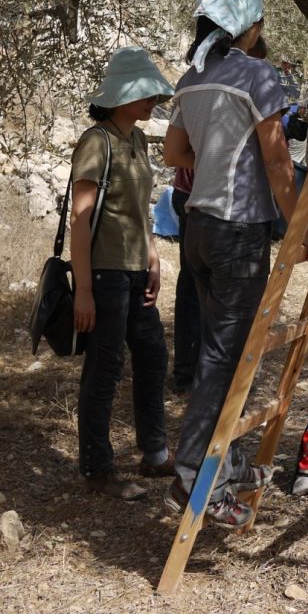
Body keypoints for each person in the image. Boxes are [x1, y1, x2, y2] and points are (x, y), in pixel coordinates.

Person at [163, 0, 308, 528]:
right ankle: (193, 481)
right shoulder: (258, 76)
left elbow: (172, 152)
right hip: (238, 233)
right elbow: (279, 163)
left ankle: (229, 467)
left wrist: (212, 152)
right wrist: (299, 227)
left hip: (198, 230)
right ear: (250, 28)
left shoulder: (192, 77)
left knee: (225, 351)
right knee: (222, 358)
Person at [71, 46, 175, 500]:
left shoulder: (135, 140)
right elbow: (80, 218)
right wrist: (84, 292)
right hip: (106, 274)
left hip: (136, 270)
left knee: (152, 357)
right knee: (106, 367)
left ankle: (154, 454)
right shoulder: (97, 141)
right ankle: (97, 468)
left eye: (155, 92)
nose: (153, 100)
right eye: (144, 92)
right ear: (120, 96)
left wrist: (152, 256)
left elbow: (140, 210)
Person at [170, 166, 200, 394]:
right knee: (194, 287)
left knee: (192, 286)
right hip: (199, 196)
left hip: (194, 193)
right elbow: (174, 153)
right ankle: (188, 374)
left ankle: (188, 372)